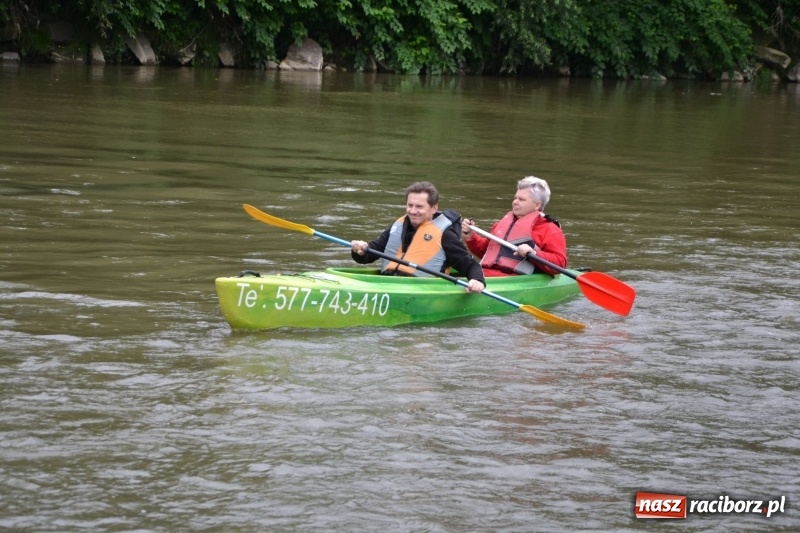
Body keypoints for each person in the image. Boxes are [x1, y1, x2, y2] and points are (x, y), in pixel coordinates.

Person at [351, 181, 486, 293]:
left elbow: (471, 265)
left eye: (419, 207)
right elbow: (370, 254)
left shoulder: (445, 235)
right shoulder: (398, 226)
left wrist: (477, 281)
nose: (413, 211)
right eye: (410, 205)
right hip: (389, 283)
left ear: (433, 208)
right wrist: (360, 250)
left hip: (421, 289)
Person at [461, 176, 567, 277]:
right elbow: (486, 252)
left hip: (514, 280)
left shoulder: (549, 229)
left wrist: (534, 254)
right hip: (484, 275)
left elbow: (559, 264)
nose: (515, 202)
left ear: (537, 205)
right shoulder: (500, 224)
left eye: (521, 199)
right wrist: (471, 237)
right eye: (515, 198)